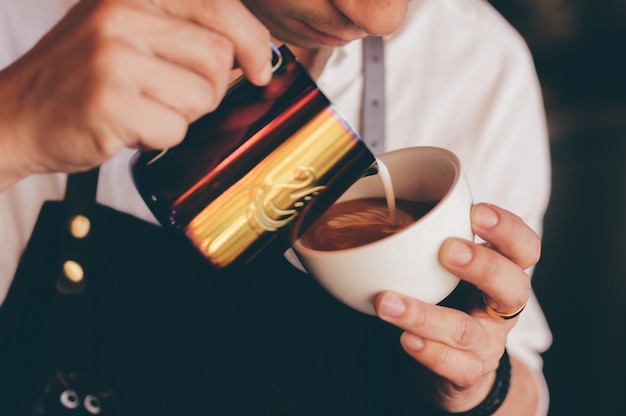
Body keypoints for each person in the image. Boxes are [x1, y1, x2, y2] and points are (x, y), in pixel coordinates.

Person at [0, 0, 552, 415]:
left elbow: (524, 375)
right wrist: (16, 125)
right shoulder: (19, 23)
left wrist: (479, 384)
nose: (381, 17)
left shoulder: (478, 60)